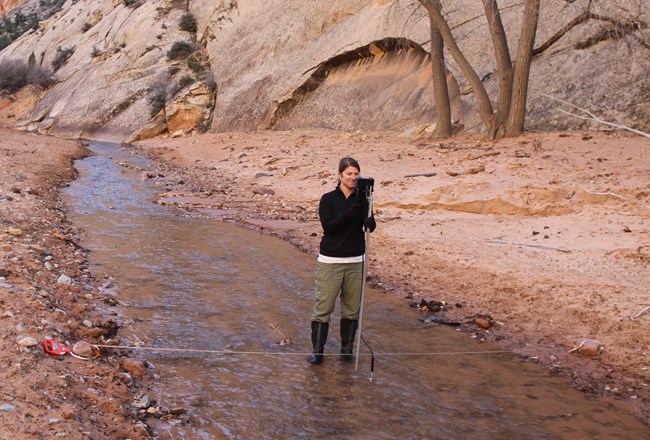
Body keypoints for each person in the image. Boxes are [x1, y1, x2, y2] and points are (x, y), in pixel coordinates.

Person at [309, 156, 376, 365]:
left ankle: (346, 350)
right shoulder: (328, 199)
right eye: (349, 174)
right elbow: (328, 227)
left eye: (356, 174)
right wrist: (349, 214)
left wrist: (369, 221)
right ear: (340, 175)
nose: (353, 178)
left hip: (356, 259)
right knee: (323, 307)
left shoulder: (364, 199)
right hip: (330, 260)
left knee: (351, 308)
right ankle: (318, 352)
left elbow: (369, 228)